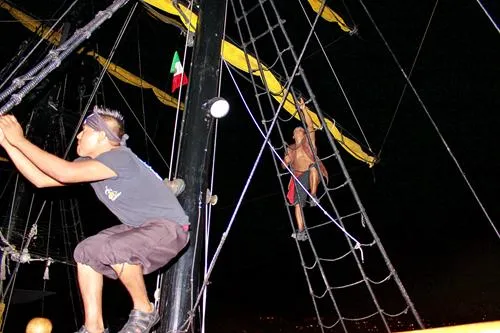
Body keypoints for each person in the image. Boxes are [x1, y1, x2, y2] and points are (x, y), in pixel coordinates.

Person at [0, 106, 190, 333]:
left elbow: (64, 172)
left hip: (170, 228)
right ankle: (93, 327)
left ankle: (145, 310)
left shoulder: (120, 157)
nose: (78, 135)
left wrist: (19, 140)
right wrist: (7, 143)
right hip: (141, 227)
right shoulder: (90, 164)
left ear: (101, 135)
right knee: (85, 252)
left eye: (84, 131)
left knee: (115, 248)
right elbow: (41, 179)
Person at [283, 99, 328, 241]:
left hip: (312, 172)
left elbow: (310, 125)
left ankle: (313, 196)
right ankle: (301, 231)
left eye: (301, 130)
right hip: (299, 177)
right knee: (297, 204)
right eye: (297, 130)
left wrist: (304, 110)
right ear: (293, 135)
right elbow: (283, 166)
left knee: (313, 167)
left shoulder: (308, 141)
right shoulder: (290, 148)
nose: (299, 131)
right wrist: (286, 161)